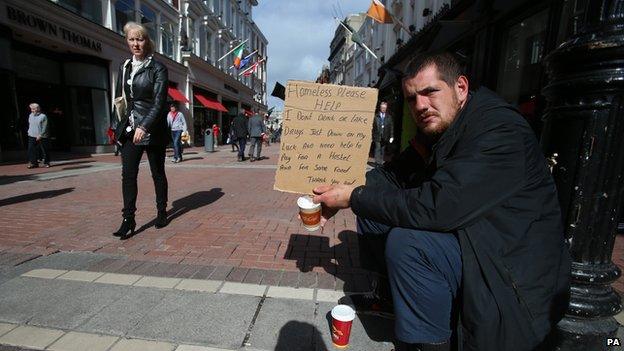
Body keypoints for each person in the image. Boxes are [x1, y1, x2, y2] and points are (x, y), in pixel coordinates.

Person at [312, 52, 570, 351]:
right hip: (473, 237)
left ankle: (431, 343)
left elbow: (437, 207)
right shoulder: (442, 127)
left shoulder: (499, 130)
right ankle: (389, 297)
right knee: (373, 205)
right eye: (411, 98)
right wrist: (339, 189)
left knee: (409, 244)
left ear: (460, 88)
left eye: (430, 92)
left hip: (511, 269)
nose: (420, 105)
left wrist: (354, 197)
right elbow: (391, 176)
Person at [110, 21, 169, 239]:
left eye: (140, 39)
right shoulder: (125, 66)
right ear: (127, 41)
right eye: (132, 39)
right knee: (128, 175)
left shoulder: (158, 68)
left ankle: (161, 211)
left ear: (147, 41)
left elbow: (159, 102)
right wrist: (117, 127)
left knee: (157, 173)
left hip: (152, 129)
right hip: (129, 128)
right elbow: (120, 100)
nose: (136, 44)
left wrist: (144, 126)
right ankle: (128, 219)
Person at [26, 103, 50, 168]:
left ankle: (46, 162)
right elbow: (30, 124)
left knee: (44, 149)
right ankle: (33, 163)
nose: (32, 110)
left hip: (42, 135)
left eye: (33, 109)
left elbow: (45, 127)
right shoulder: (30, 115)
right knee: (31, 149)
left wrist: (40, 135)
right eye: (31, 109)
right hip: (32, 135)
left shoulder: (43, 116)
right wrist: (29, 131)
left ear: (37, 109)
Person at [372, 101, 394, 166]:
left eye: (384, 108)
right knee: (377, 148)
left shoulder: (389, 117)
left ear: (386, 108)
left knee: (382, 150)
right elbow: (372, 127)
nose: (383, 109)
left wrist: (391, 136)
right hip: (377, 135)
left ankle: (380, 162)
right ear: (380, 108)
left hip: (385, 136)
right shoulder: (376, 116)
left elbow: (391, 127)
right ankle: (377, 163)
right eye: (382, 108)